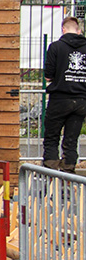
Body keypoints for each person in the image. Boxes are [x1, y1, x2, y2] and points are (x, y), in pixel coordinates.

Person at [43, 15, 86, 172]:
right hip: (81, 100)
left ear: (63, 29)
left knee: (51, 137)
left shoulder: (56, 47)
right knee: (71, 140)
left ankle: (50, 172)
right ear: (78, 31)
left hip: (60, 99)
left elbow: (48, 76)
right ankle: (68, 174)